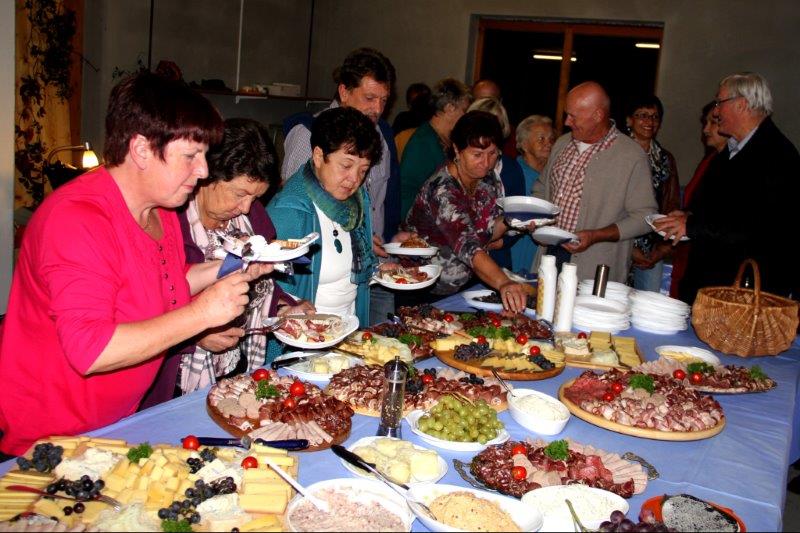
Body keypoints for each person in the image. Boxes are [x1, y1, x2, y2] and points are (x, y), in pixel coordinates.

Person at [0, 71, 269, 455]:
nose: (204, 171)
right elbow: (91, 350)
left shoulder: (160, 212)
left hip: (119, 423)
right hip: (52, 440)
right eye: (191, 156)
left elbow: (168, 283)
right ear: (142, 149)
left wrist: (232, 265)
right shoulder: (77, 219)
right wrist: (202, 314)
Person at [146, 119, 314, 399]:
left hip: (238, 364)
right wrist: (195, 334)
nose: (246, 207)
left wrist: (284, 308)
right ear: (207, 175)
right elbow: (149, 307)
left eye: (256, 197)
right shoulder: (169, 223)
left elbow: (261, 282)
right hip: (177, 379)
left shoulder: (253, 218)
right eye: (240, 194)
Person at [655, 72, 800, 304]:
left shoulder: (778, 156)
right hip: (712, 288)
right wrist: (686, 216)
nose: (715, 112)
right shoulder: (731, 150)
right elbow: (714, 205)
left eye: (719, 103)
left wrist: (692, 226)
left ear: (741, 105)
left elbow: (757, 226)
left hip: (742, 297)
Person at [280, 48, 400, 325]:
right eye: (369, 98)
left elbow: (381, 201)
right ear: (344, 91)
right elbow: (297, 203)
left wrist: (389, 237)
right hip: (323, 276)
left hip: (372, 265)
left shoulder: (382, 134)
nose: (377, 109)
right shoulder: (310, 134)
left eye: (384, 100)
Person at [400, 111, 532, 312]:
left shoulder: (488, 179)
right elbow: (468, 245)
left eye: (492, 153)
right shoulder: (442, 189)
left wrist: (516, 220)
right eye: (477, 155)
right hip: (422, 287)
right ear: (457, 149)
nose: (486, 163)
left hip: (463, 285)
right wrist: (504, 282)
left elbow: (486, 232)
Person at [268, 107, 383, 325]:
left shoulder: (358, 202)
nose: (354, 179)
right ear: (319, 156)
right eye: (346, 165)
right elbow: (269, 293)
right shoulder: (289, 211)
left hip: (350, 330)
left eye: (363, 170)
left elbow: (354, 269)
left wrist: (378, 268)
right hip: (307, 335)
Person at [536, 81, 656, 282]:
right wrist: (537, 218)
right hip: (550, 255)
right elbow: (541, 187)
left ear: (598, 115)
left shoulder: (631, 156)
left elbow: (646, 217)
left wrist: (596, 235)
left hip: (596, 268)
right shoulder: (562, 143)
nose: (567, 122)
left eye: (573, 116)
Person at [669, 102, 728, 298]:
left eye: (713, 123)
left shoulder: (730, 164)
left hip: (713, 263)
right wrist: (684, 214)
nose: (705, 130)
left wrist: (690, 220)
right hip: (693, 253)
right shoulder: (711, 159)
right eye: (705, 123)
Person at [625, 96, 680, 292]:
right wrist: (630, 249)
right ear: (629, 120)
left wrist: (662, 249)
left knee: (647, 303)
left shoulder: (665, 159)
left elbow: (671, 205)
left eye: (655, 117)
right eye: (642, 115)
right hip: (619, 241)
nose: (649, 121)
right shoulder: (617, 153)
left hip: (652, 248)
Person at [466, 97, 525, 270]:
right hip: (462, 262)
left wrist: (503, 241)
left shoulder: (511, 169)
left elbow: (518, 215)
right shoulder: (457, 167)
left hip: (498, 258)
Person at [399, 78, 471, 219]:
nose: (466, 116)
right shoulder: (423, 143)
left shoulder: (444, 139)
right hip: (419, 222)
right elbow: (406, 194)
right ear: (449, 108)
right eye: (464, 110)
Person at [512, 115, 555, 273]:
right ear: (524, 144)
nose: (548, 144)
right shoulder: (513, 173)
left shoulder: (555, 174)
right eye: (541, 139)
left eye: (551, 139)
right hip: (516, 252)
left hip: (544, 254)